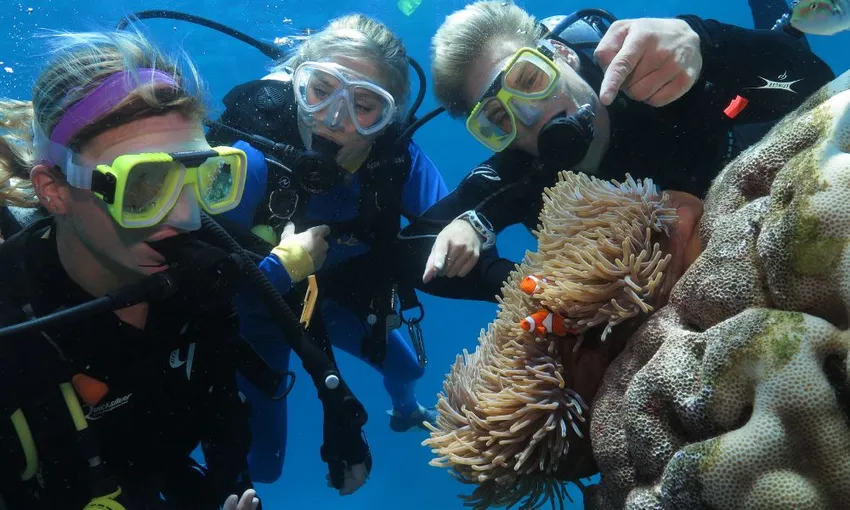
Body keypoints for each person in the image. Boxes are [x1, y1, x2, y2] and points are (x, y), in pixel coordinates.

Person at [0, 29, 261, 510]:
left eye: (203, 178)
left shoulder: (203, 274)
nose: (185, 218)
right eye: (143, 185)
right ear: (54, 190)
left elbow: (223, 407)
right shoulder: (12, 326)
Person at [408, 0, 835, 288]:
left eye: (529, 79)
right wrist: (493, 249)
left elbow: (817, 83)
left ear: (561, 53)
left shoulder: (648, 72)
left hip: (746, 153)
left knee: (789, 38)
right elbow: (409, 254)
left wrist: (707, 43)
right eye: (497, 118)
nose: (530, 116)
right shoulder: (518, 171)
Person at [205, 14, 449, 488]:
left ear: (389, 116)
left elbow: (447, 222)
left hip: (336, 297)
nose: (335, 120)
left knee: (409, 366)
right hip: (256, 311)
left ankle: (404, 410)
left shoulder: (397, 160)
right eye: (320, 90)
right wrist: (283, 267)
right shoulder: (248, 155)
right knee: (267, 467)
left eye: (365, 105)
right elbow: (209, 285)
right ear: (297, 80)